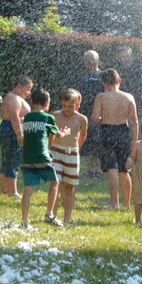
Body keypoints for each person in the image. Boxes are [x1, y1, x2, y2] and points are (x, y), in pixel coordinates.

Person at [91, 68, 138, 210]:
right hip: (124, 132)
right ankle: (127, 204)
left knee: (112, 168)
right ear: (120, 81)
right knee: (124, 170)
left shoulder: (101, 97)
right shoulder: (129, 97)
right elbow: (134, 122)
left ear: (105, 83)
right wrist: (134, 141)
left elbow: (94, 118)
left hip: (107, 131)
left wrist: (101, 119)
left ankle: (114, 203)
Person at [19, 89, 65, 229]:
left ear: (32, 102)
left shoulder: (27, 117)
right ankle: (49, 214)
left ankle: (24, 221)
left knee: (27, 190)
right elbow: (57, 135)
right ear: (47, 103)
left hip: (27, 158)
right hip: (42, 157)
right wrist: (64, 133)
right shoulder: (48, 118)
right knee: (54, 182)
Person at [51, 89, 88, 226]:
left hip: (72, 154)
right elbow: (50, 133)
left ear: (77, 105)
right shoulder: (55, 116)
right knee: (55, 183)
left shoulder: (81, 119)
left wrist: (76, 149)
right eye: (64, 106)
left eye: (70, 106)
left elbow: (83, 135)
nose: (67, 109)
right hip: (55, 151)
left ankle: (66, 220)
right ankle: (52, 216)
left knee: (69, 187)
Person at [0, 76, 33, 197]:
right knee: (14, 160)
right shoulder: (15, 99)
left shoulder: (10, 96)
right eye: (27, 89)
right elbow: (14, 116)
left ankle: (5, 189)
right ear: (19, 87)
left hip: (5, 128)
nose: (29, 93)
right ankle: (13, 192)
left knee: (6, 159)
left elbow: (15, 116)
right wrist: (19, 134)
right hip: (11, 130)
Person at [76, 50, 104, 178]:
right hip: (83, 113)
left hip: (98, 114)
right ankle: (90, 170)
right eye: (87, 59)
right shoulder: (80, 76)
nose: (89, 61)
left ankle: (98, 170)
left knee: (98, 141)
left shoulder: (102, 76)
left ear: (98, 61)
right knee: (86, 140)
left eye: (92, 59)